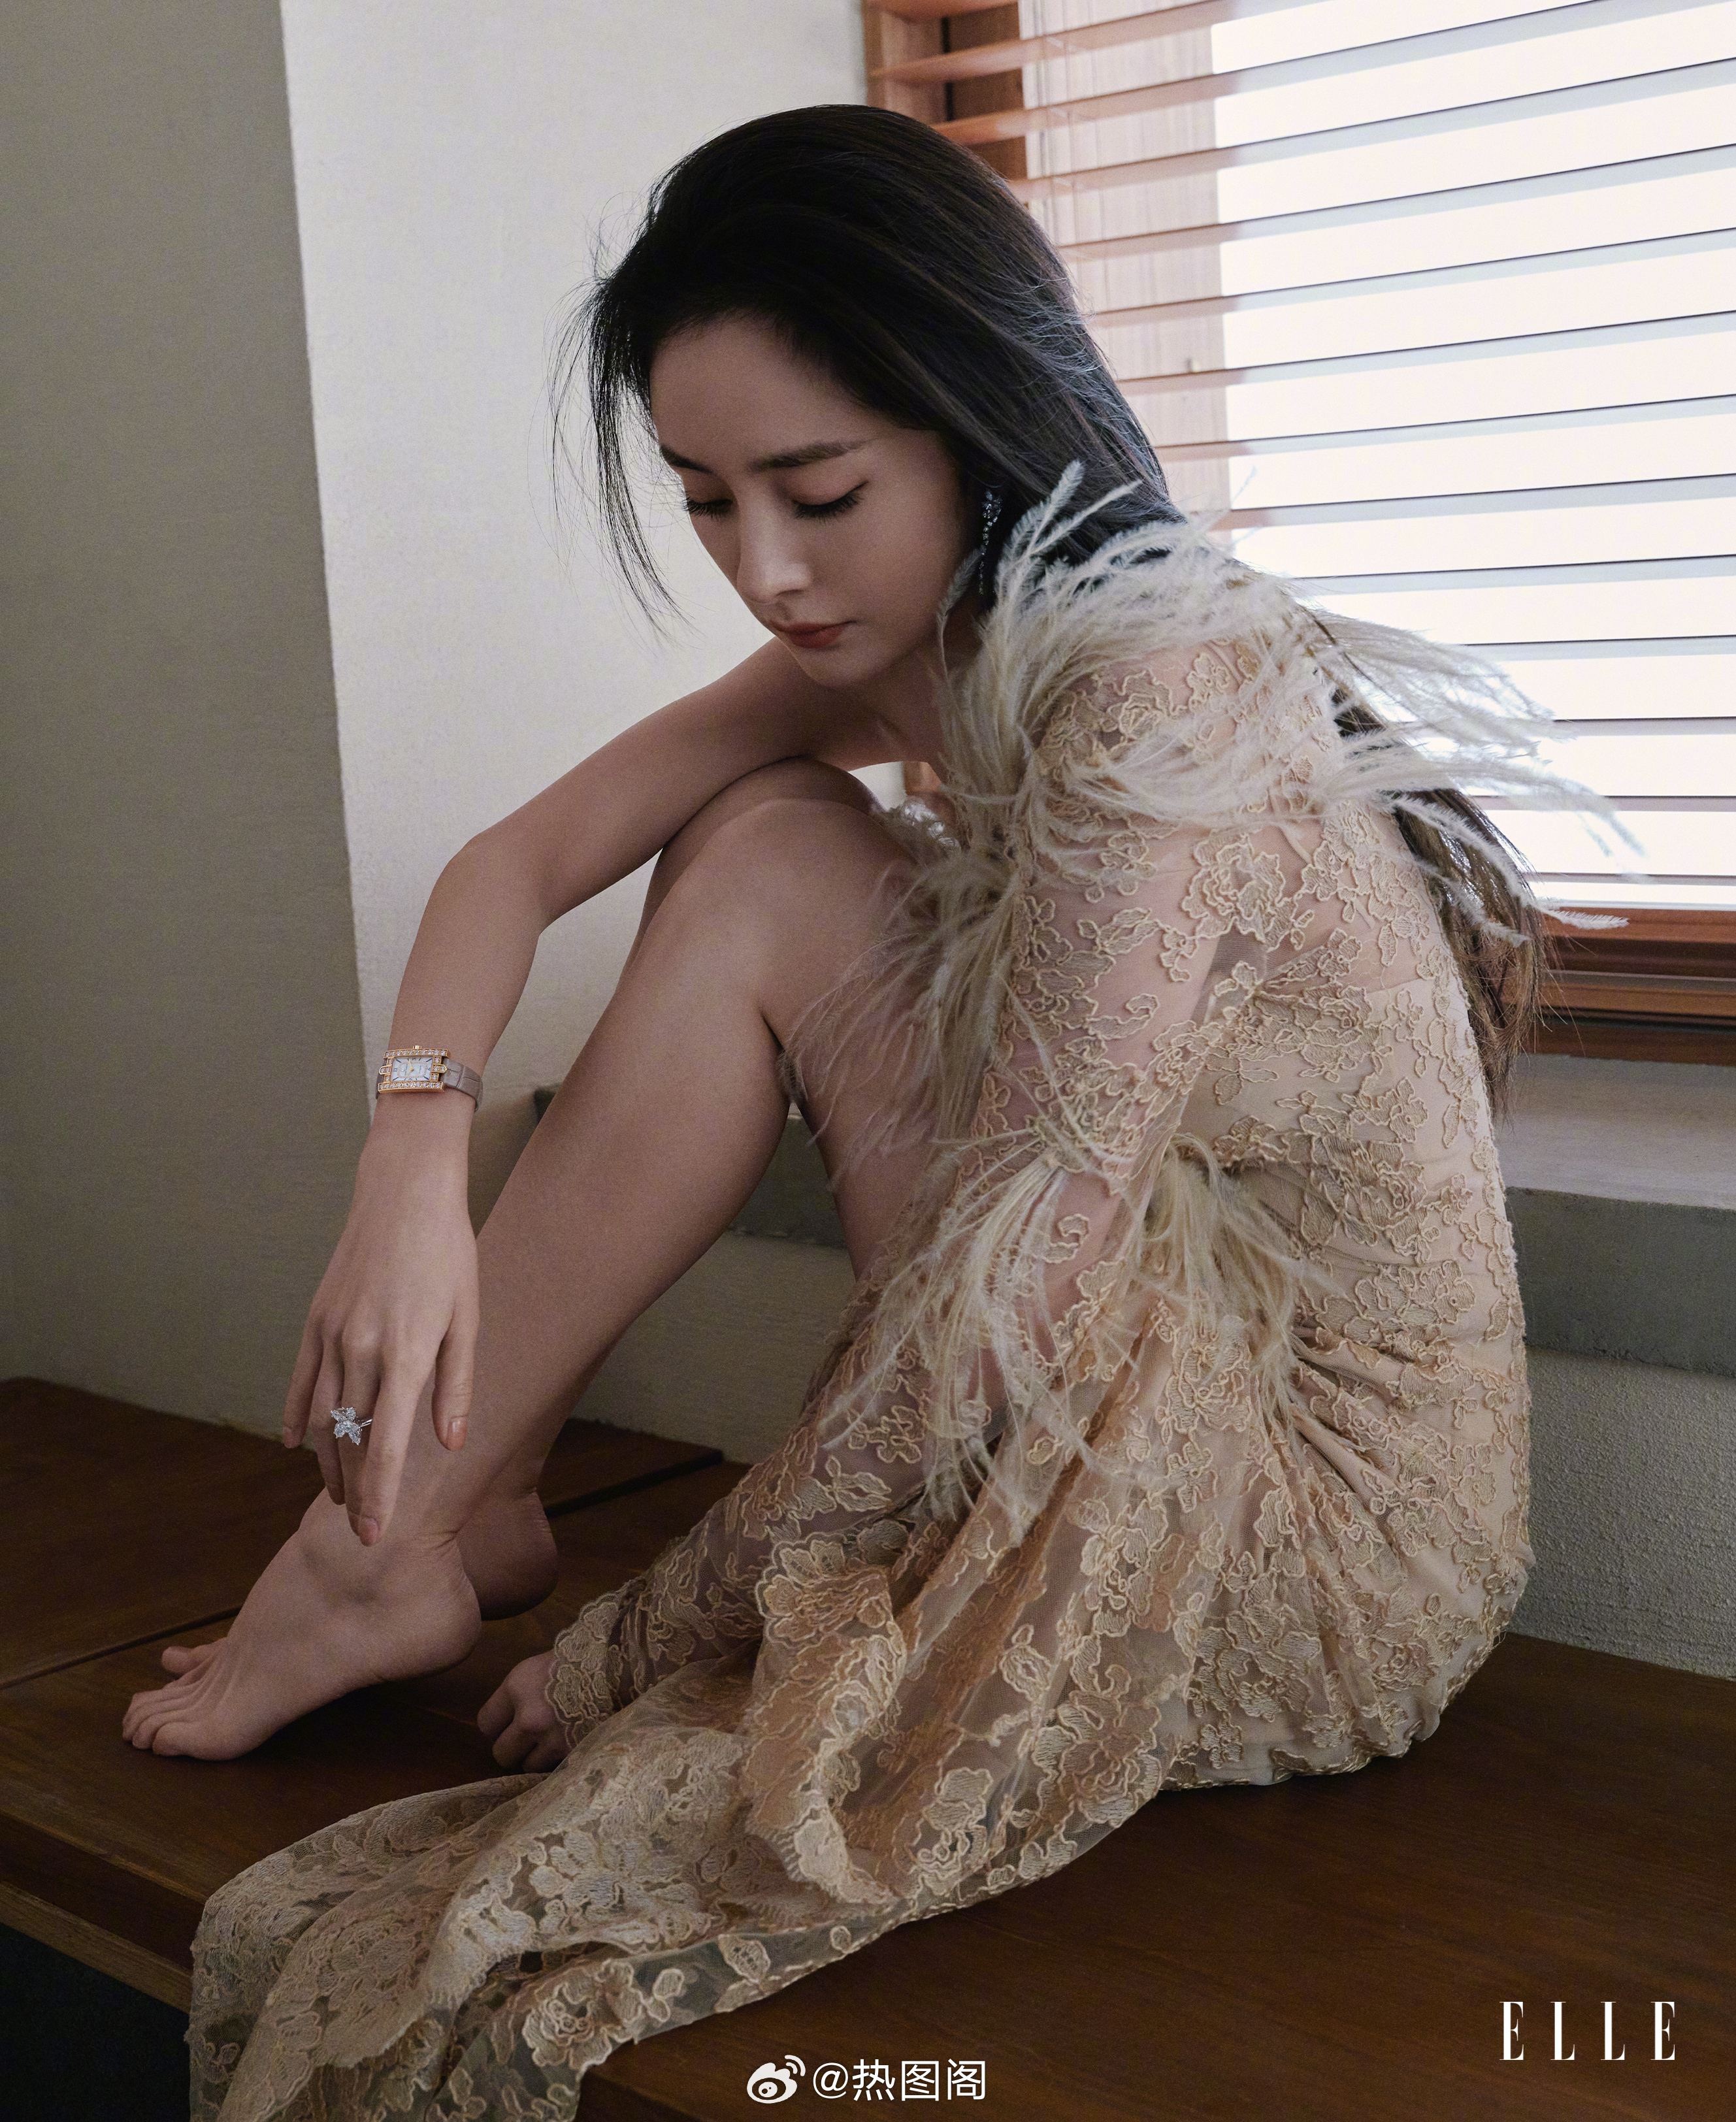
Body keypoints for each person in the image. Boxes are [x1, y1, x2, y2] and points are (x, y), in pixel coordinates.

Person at [126, 103, 1587, 2119]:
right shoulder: (919, 632)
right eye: (705, 502)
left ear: (980, 423)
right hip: (1106, 1333)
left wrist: (646, 1638)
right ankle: (426, 1519)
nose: (765, 570)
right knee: (760, 826)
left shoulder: (1148, 686)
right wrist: (408, 1169)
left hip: (1306, 1526)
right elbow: (511, 861)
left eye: (817, 491)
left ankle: (391, 1540)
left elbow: (1007, 1299)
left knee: (764, 861)